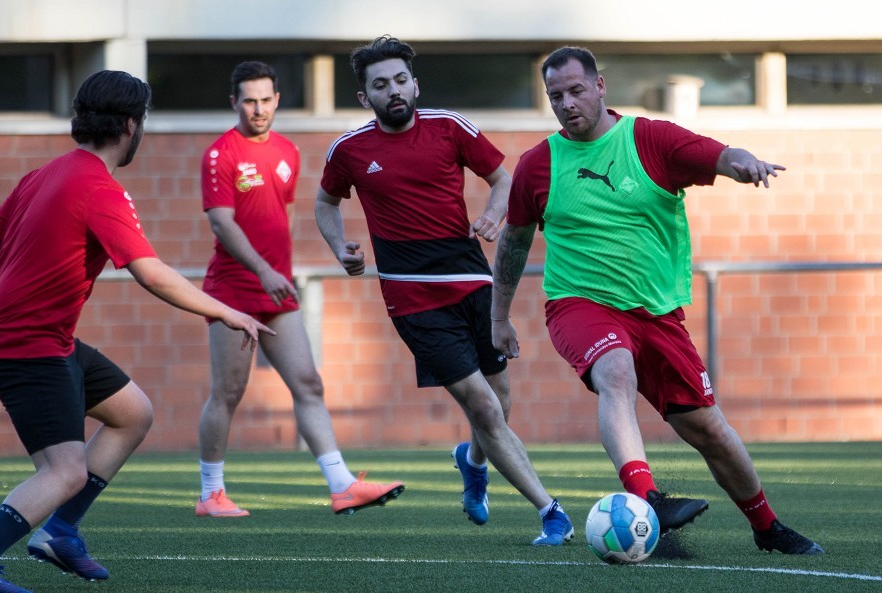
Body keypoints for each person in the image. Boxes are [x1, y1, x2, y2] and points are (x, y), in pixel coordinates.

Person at [490, 46, 823, 555]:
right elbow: (514, 243)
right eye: (556, 96)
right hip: (579, 305)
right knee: (615, 371)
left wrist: (744, 164)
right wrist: (499, 317)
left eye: (576, 90)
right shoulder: (538, 165)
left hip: (657, 313)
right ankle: (648, 500)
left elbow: (720, 155)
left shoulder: (650, 139)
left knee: (707, 427)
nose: (567, 103)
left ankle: (767, 526)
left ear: (601, 87)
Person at [0, 70, 273, 593]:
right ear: (131, 125)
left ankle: (60, 532)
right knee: (64, 471)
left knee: (132, 412)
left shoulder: (41, 175)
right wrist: (228, 312)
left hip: (47, 339)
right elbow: (151, 272)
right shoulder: (99, 188)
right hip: (26, 346)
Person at [315, 35, 573, 546]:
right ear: (365, 97)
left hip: (472, 282)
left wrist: (494, 214)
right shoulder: (349, 150)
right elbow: (325, 204)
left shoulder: (450, 128)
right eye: (380, 84)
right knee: (481, 405)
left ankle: (471, 461)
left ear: (415, 84)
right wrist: (341, 245)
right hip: (412, 298)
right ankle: (551, 512)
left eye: (400, 80)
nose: (394, 90)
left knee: (500, 403)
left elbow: (504, 179)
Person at [196, 61, 403, 519]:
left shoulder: (288, 151)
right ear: (235, 102)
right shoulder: (220, 154)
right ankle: (211, 494)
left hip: (276, 291)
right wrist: (263, 270)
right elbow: (221, 222)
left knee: (308, 383)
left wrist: (279, 272)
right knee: (228, 391)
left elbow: (282, 217)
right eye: (249, 100)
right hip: (233, 289)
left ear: (277, 100)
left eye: (266, 99)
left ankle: (342, 485)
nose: (258, 109)